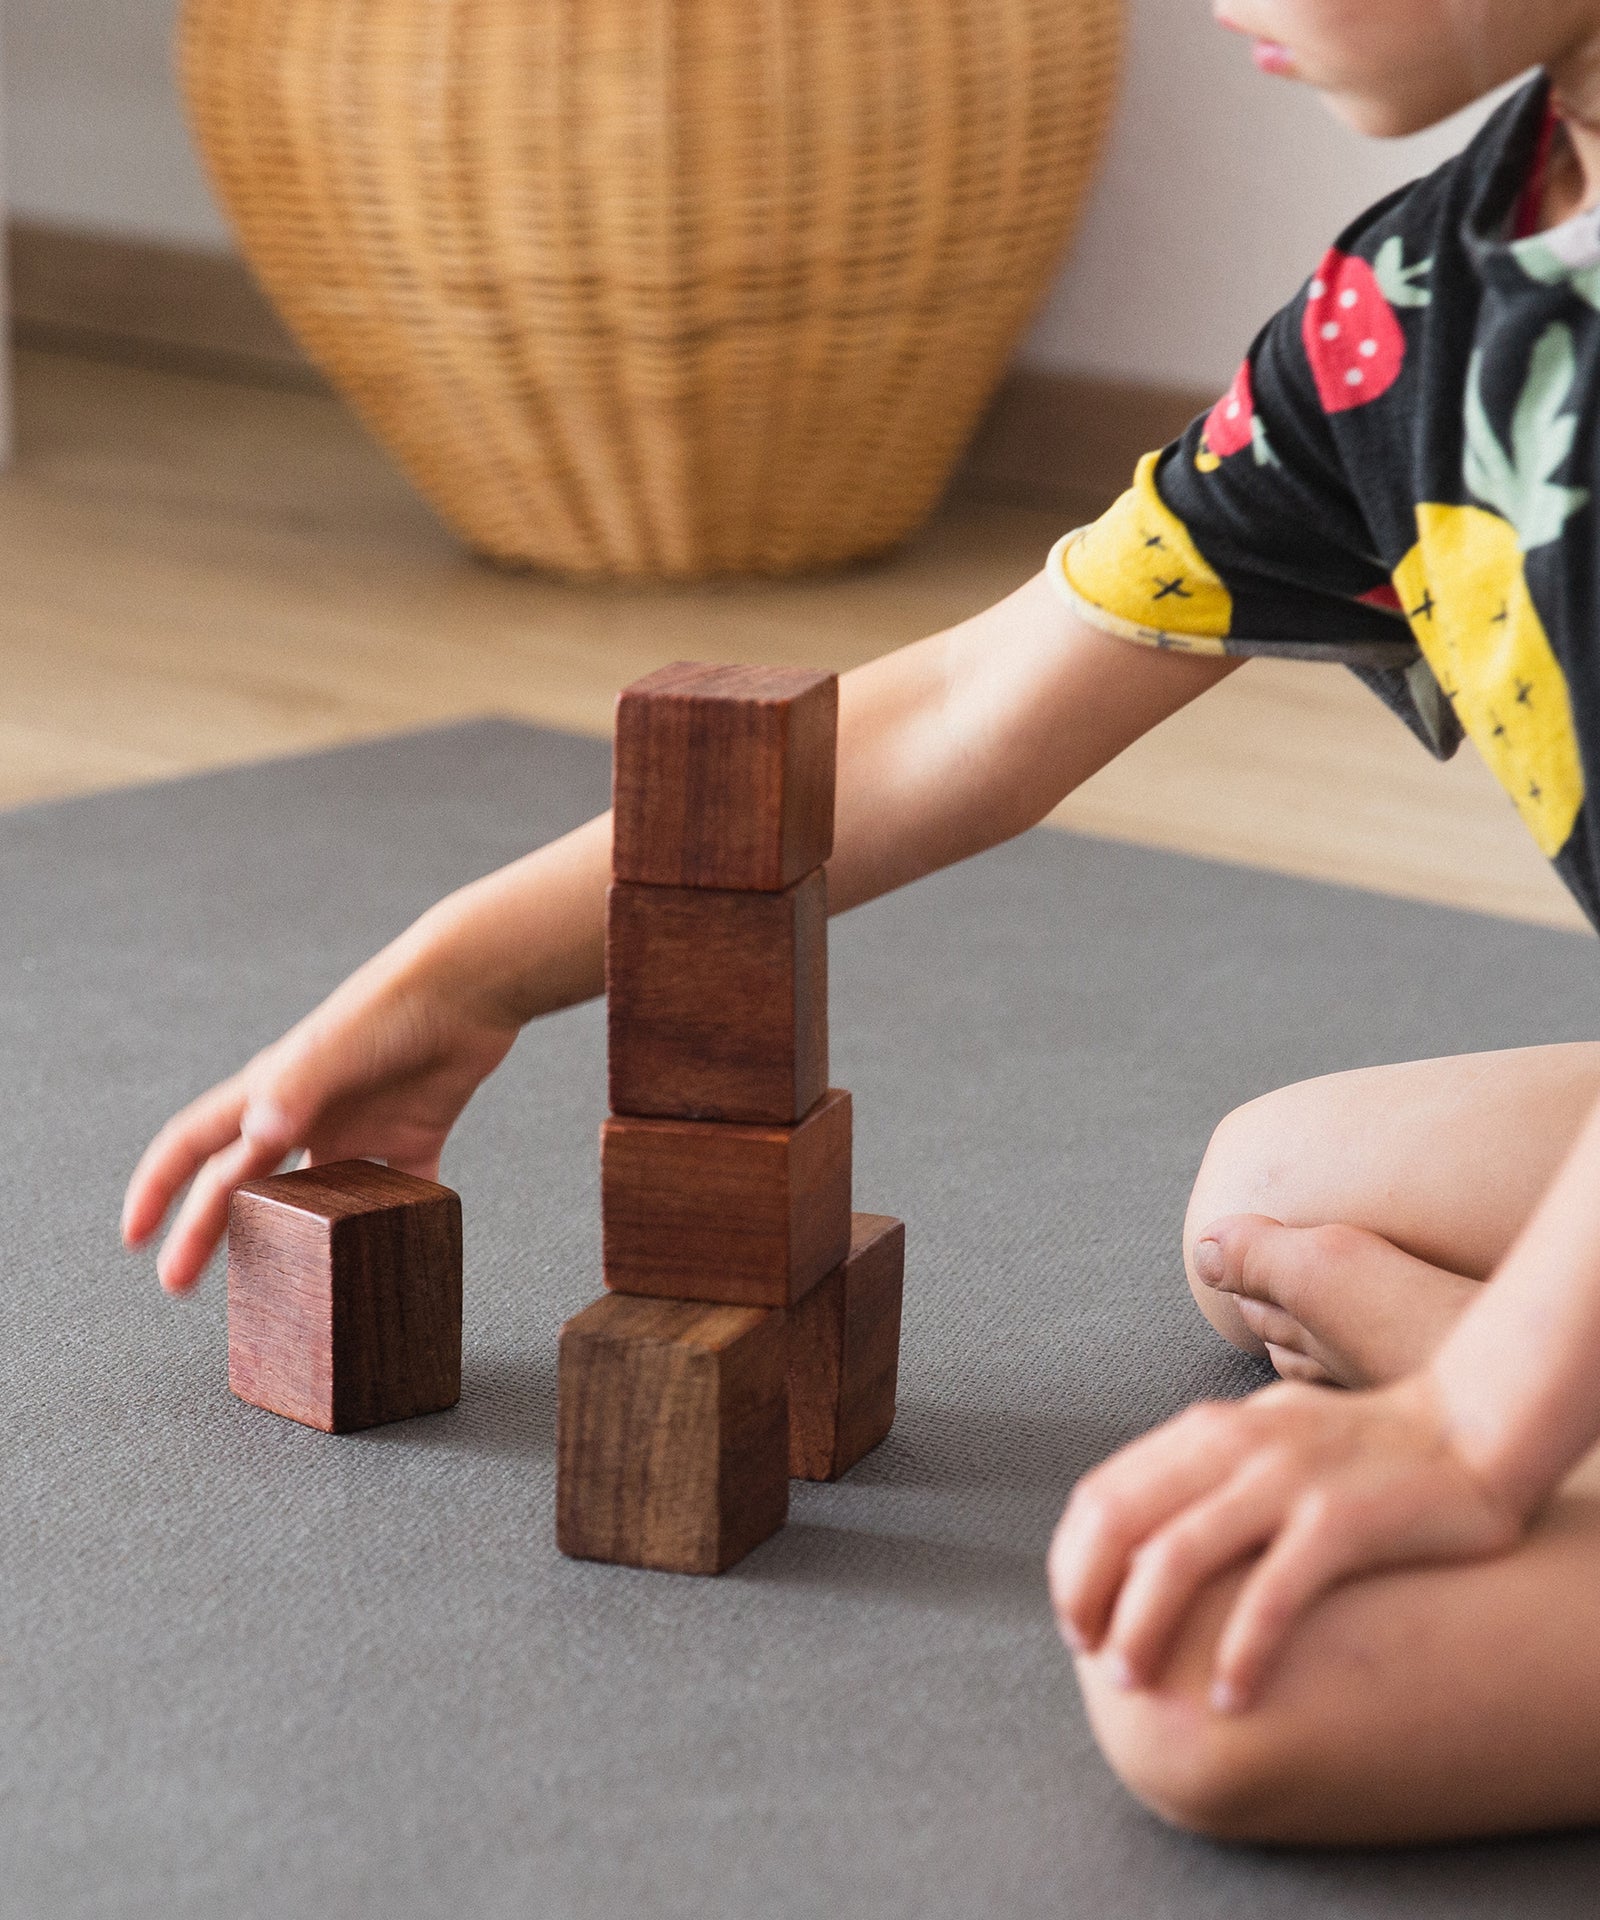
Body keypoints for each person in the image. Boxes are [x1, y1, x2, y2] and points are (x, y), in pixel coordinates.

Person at [123, 0, 1600, 1848]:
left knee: (1218, 1680)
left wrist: (1476, 1437)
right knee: (1280, 1193)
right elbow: (969, 716)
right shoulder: (1413, 303)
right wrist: (458, 971)